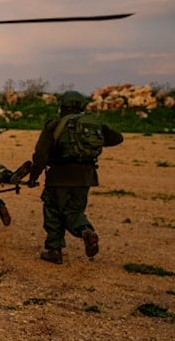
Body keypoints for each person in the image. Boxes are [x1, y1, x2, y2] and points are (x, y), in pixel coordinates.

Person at [26, 90, 123, 264]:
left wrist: (33, 177)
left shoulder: (53, 126)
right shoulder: (92, 124)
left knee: (53, 210)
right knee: (74, 211)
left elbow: (40, 156)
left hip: (59, 176)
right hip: (85, 177)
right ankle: (86, 231)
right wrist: (93, 134)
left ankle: (54, 250)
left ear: (61, 107)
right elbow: (117, 138)